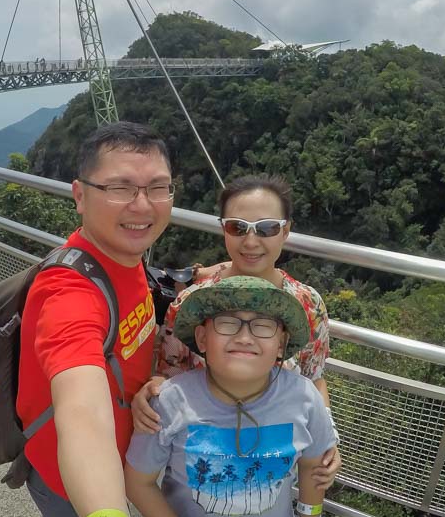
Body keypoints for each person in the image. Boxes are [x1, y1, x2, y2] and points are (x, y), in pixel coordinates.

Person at [16, 121, 169, 517]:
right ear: (80, 195)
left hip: (83, 459)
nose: (143, 205)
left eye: (158, 188)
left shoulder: (123, 253)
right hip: (71, 472)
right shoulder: (70, 292)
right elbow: (82, 412)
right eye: (120, 188)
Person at [133, 174, 340, 489]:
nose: (251, 242)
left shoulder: (308, 305)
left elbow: (313, 379)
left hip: (271, 469)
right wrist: (149, 395)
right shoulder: (192, 304)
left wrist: (328, 436)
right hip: (199, 470)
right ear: (223, 229)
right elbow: (169, 374)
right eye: (237, 227)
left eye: (267, 228)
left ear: (286, 230)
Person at [125, 276, 337, 517]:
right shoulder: (171, 401)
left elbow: (313, 467)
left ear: (281, 344)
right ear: (202, 338)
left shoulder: (304, 398)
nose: (244, 337)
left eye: (263, 325)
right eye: (227, 323)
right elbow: (139, 482)